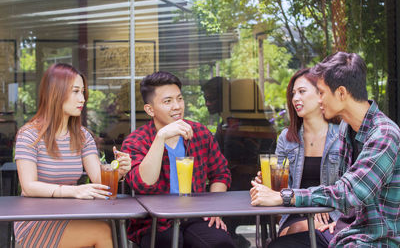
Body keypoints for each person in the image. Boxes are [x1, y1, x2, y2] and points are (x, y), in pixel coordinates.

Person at [250, 52, 400, 247]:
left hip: (373, 239)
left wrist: (284, 196)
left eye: (321, 92)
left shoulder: (384, 135)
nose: (319, 100)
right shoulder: (348, 129)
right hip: (347, 231)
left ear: (341, 93)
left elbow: (348, 192)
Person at [14, 63, 132, 248]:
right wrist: (74, 191)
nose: (82, 98)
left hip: (69, 215)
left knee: (108, 227)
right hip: (36, 221)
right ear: (56, 92)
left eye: (83, 92)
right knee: (101, 231)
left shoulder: (82, 135)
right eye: (76, 91)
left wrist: (119, 170)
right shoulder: (29, 134)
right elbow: (29, 186)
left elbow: (99, 178)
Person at [121, 71, 236, 248]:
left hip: (196, 216)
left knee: (221, 242)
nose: (177, 106)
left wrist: (214, 209)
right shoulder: (136, 141)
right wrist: (160, 137)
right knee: (166, 243)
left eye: (179, 99)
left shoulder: (199, 133)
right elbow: (143, 184)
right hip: (155, 223)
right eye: (168, 101)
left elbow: (220, 173)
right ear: (150, 109)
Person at [254, 68, 342, 240]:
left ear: (320, 95)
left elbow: (348, 189)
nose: (295, 98)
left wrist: (320, 208)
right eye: (293, 93)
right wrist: (266, 183)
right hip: (294, 212)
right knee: (296, 230)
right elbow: (278, 189)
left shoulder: (342, 136)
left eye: (302, 92)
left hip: (332, 214)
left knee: (293, 236)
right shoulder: (287, 138)